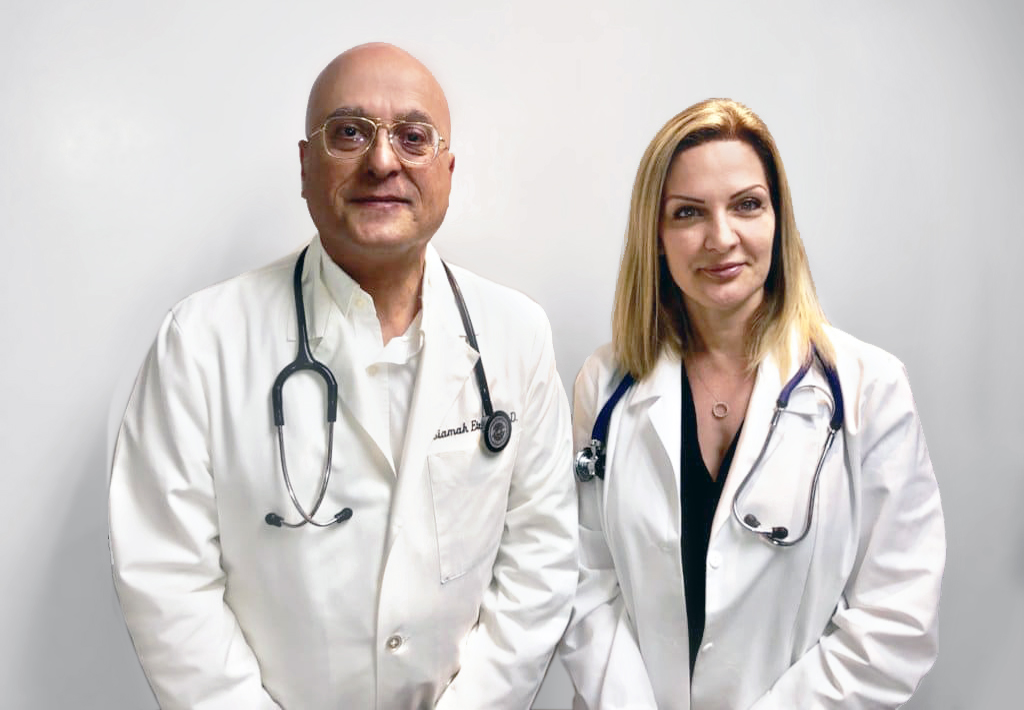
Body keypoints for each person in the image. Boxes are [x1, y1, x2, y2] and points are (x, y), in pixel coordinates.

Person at [109, 42, 577, 709]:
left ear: (447, 170)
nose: (382, 161)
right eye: (350, 133)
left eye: (413, 137)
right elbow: (166, 578)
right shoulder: (201, 341)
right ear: (305, 165)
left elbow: (540, 562)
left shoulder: (516, 334)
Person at [559, 98, 945, 709]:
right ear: (656, 237)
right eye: (688, 213)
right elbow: (584, 580)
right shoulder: (604, 385)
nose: (721, 238)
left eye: (746, 205)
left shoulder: (869, 389)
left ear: (778, 219)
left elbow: (896, 618)